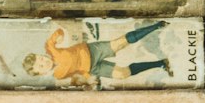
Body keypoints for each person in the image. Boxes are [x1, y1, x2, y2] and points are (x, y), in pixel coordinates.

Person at [23, 19, 171, 85]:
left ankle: (157, 26)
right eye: (41, 66)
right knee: (122, 74)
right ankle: (160, 63)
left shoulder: (50, 49)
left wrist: (60, 35)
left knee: (120, 43)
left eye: (41, 59)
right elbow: (76, 72)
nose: (44, 62)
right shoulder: (58, 75)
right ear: (42, 74)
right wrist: (88, 77)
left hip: (92, 51)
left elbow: (57, 33)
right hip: (93, 68)